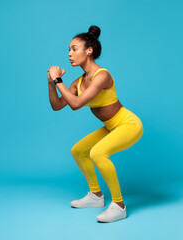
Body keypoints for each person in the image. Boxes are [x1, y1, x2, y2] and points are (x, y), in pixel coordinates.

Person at [47, 25, 143, 223]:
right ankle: (96, 196)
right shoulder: (78, 82)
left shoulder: (102, 76)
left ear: (88, 50)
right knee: (78, 150)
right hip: (111, 127)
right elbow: (57, 105)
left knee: (98, 153)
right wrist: (51, 83)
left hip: (128, 124)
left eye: (74, 49)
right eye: (69, 49)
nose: (69, 53)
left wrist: (58, 80)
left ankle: (119, 205)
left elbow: (75, 104)